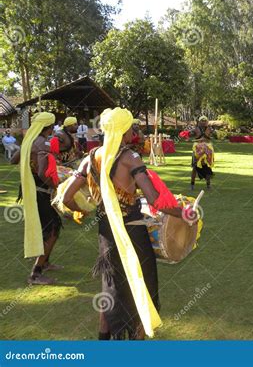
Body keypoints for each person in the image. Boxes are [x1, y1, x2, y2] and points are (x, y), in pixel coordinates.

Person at [62, 107, 183, 340]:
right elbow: (153, 199)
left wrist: (84, 210)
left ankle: (105, 340)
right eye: (130, 127)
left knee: (111, 286)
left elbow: (67, 198)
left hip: (106, 232)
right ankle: (135, 341)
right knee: (141, 284)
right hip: (132, 231)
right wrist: (183, 214)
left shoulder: (90, 158)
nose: (132, 132)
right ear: (123, 130)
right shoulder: (130, 157)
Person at [11, 112, 62, 285]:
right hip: (40, 191)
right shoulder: (42, 143)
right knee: (51, 230)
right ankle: (35, 274)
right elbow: (42, 172)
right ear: (49, 127)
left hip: (31, 189)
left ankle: (45, 263)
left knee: (54, 227)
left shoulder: (29, 141)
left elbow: (13, 160)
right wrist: (56, 186)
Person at [188, 116, 215, 190]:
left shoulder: (210, 129)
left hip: (207, 149)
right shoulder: (195, 129)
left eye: (205, 121)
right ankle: (192, 184)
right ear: (199, 122)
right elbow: (190, 134)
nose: (203, 122)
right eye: (202, 121)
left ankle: (208, 185)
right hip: (197, 148)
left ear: (207, 121)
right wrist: (190, 132)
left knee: (208, 166)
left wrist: (213, 132)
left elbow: (215, 135)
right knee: (194, 167)